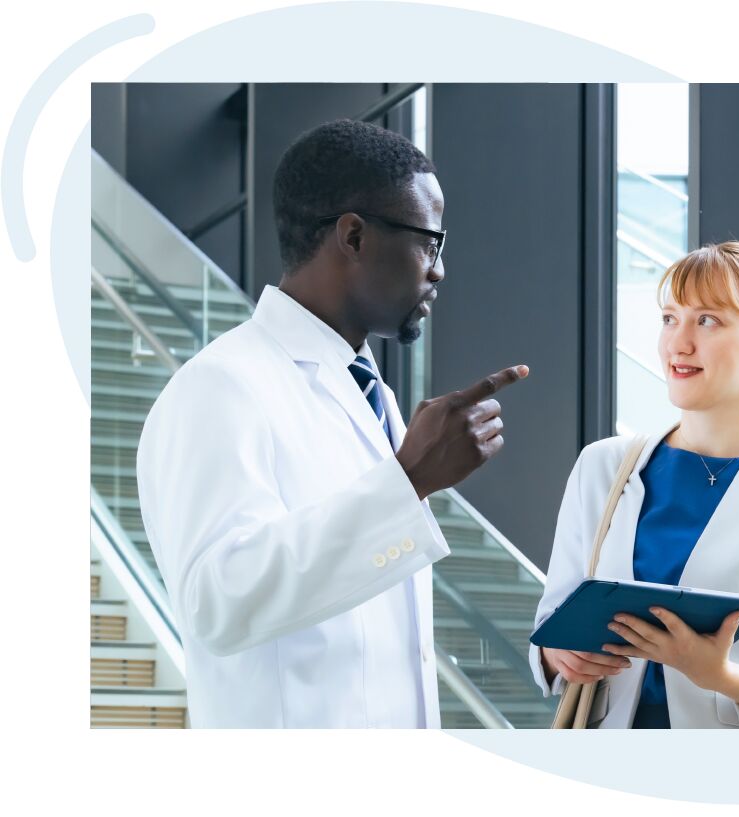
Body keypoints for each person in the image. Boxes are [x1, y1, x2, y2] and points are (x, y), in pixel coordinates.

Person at [136, 119, 528, 728]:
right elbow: (217, 602)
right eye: (431, 242)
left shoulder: (368, 392)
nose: (439, 270)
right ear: (352, 236)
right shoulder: (219, 386)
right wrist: (407, 481)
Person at [530, 241, 739, 729]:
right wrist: (558, 654)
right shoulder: (603, 465)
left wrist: (722, 675)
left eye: (707, 320)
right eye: (670, 318)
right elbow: (549, 630)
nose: (678, 343)